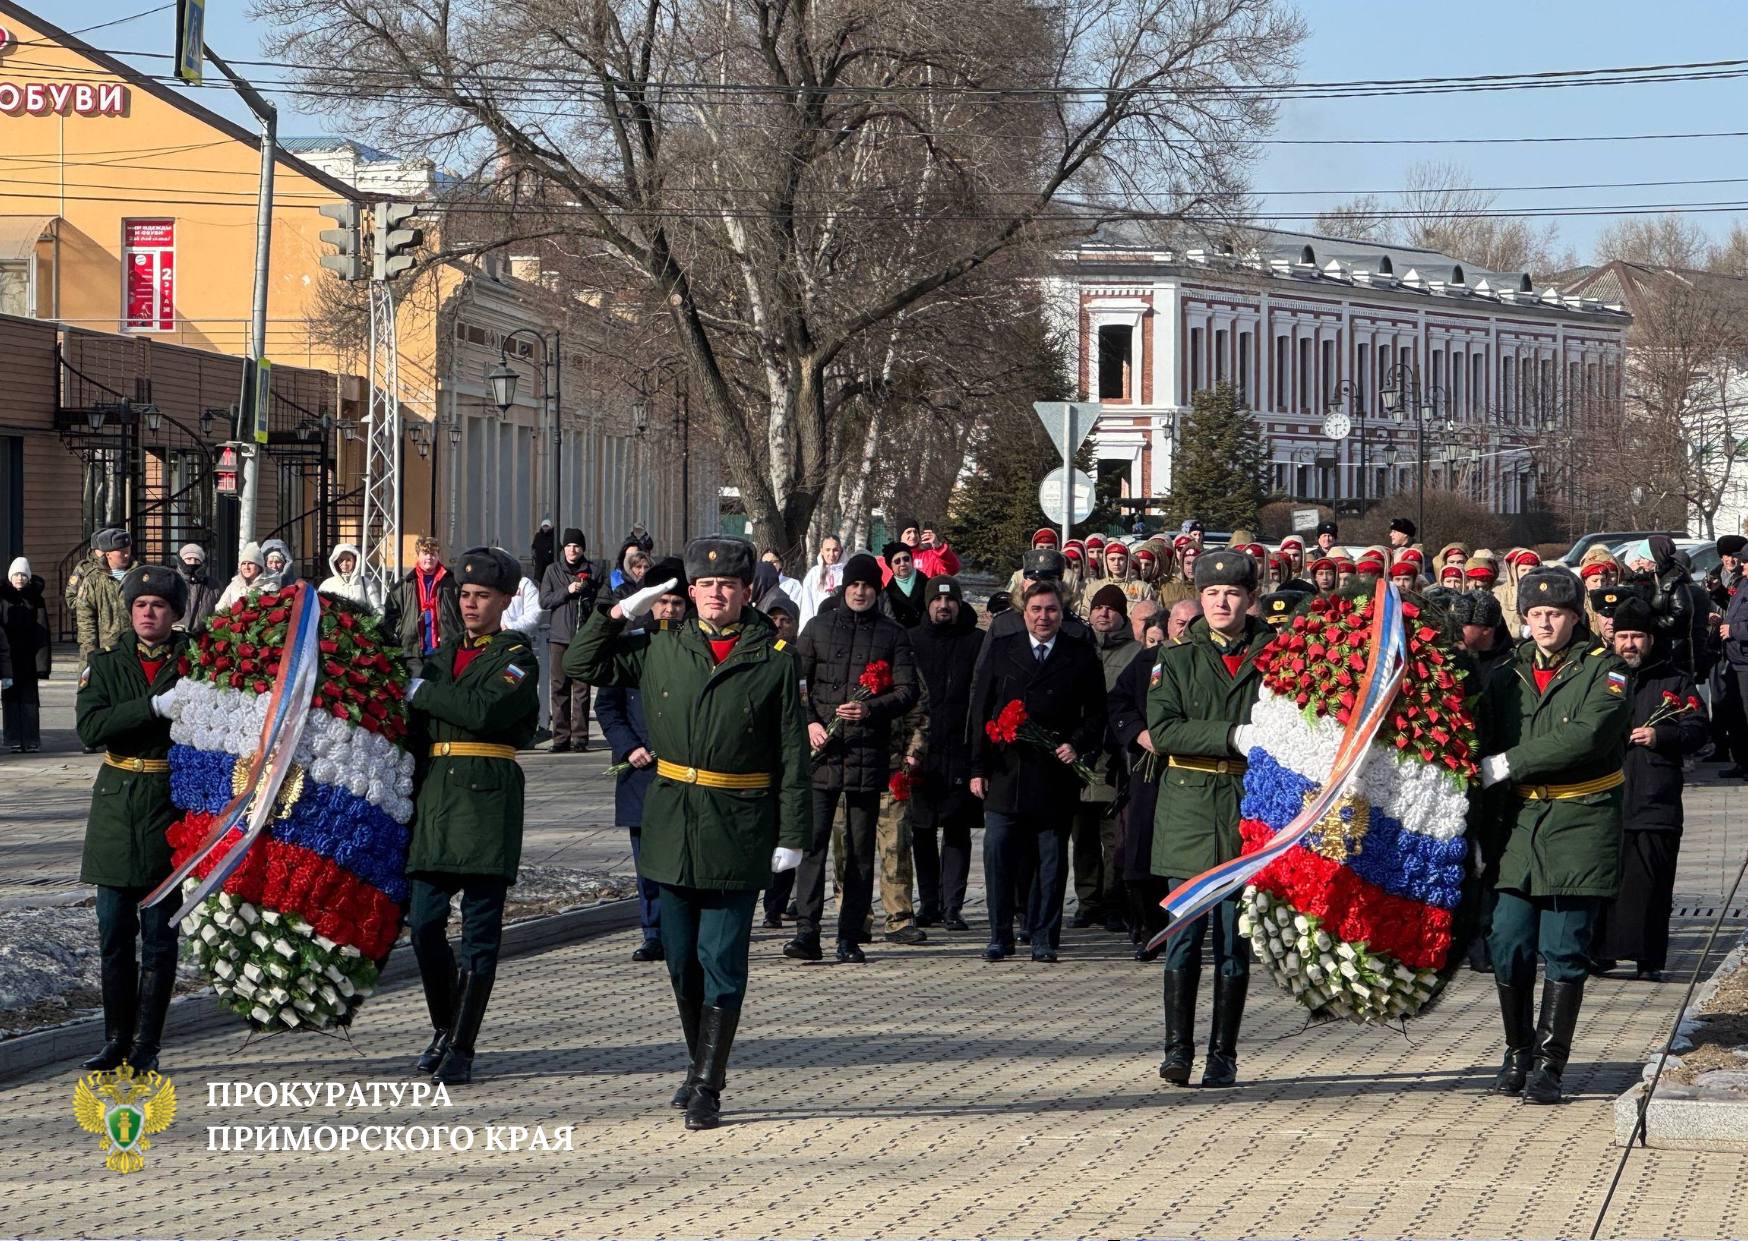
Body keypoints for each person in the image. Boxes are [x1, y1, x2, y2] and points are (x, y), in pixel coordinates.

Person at [565, 536, 810, 1131]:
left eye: (727, 584)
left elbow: (792, 754)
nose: (715, 593)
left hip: (738, 819)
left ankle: (708, 1082)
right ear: (689, 591)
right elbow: (578, 664)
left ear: (747, 591)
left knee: (721, 956)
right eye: (704, 584)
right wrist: (620, 609)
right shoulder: (660, 646)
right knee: (680, 960)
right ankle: (699, 1059)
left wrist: (794, 833)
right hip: (672, 819)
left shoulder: (773, 657)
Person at [1476, 566, 1631, 1105]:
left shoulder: (1605, 672)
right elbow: (1479, 734)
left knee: (1563, 950)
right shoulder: (1506, 673)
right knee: (1508, 942)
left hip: (1579, 821)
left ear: (1575, 617)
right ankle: (1517, 1051)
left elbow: (1586, 737)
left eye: (1556, 615)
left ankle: (1549, 1064)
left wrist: (1509, 762)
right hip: (1520, 827)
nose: (1544, 624)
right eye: (1535, 614)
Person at [404, 547, 541, 1086]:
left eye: (483, 596)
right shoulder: (439, 657)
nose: (471, 604)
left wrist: (422, 692)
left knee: (480, 936)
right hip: (437, 802)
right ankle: (445, 1028)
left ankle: (462, 1046)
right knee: (424, 926)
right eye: (464, 595)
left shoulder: (517, 658)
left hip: (486, 801)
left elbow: (482, 711)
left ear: (505, 600)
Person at [1148, 548, 1271, 1088]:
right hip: (1191, 809)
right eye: (1212, 593)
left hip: (1249, 809)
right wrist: (1230, 735)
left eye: (1233, 593)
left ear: (1250, 598)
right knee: (1184, 936)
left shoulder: (1275, 655)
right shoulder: (1176, 659)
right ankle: (1177, 1051)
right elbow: (1166, 730)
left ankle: (1224, 1054)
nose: (1222, 602)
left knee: (1233, 941)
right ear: (1199, 599)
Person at [75, 563, 188, 1073]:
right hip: (117, 805)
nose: (148, 613)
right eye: (140, 605)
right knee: (113, 933)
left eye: (158, 606)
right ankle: (115, 1038)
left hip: (169, 804)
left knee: (160, 938)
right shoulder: (104, 664)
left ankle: (147, 1044)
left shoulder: (194, 662)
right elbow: (90, 727)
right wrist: (151, 707)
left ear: (174, 614)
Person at [786, 552, 920, 963]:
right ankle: (807, 933)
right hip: (822, 754)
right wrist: (810, 722)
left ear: (876, 590)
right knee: (813, 847)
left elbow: (906, 692)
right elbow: (793, 682)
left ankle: (850, 934)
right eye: (854, 585)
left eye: (867, 586)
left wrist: (871, 709)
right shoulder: (817, 628)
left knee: (861, 850)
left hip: (867, 753)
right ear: (843, 588)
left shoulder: (892, 634)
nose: (860, 592)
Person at [970, 578, 1104, 963]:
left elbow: (1097, 713)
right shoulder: (1001, 649)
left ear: (1062, 614)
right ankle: (1000, 935)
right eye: (1036, 610)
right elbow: (979, 711)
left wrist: (1077, 744)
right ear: (1023, 612)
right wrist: (977, 767)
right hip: (1004, 772)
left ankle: (1044, 936)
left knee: (1051, 860)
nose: (1043, 617)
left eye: (1051, 610)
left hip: (1053, 774)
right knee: (998, 856)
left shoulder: (1079, 654)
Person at [1592, 598, 1707, 982]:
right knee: (1606, 879)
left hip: (1656, 797)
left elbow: (1698, 731)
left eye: (1636, 637)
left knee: (1653, 881)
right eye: (1622, 636)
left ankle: (1648, 957)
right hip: (1606, 797)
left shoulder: (1674, 679)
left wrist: (1661, 735)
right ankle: (1602, 952)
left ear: (1650, 639)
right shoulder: (1601, 676)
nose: (1629, 644)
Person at [597, 565, 689, 963]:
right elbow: (608, 706)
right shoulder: (633, 647)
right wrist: (628, 746)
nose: (668, 610)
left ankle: (683, 926)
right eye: (662, 602)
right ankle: (653, 931)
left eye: (676, 603)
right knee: (646, 858)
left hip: (684, 770)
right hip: (642, 769)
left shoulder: (693, 650)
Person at [908, 576, 982, 930]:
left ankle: (953, 905)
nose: (943, 606)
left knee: (956, 829)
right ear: (927, 605)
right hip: (921, 750)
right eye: (937, 601)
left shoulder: (976, 640)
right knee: (921, 829)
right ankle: (929, 904)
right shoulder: (911, 640)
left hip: (960, 747)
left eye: (949, 601)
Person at [1073, 584, 1135, 933]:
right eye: (1098, 607)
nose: (1104, 613)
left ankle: (1114, 901)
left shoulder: (1134, 653)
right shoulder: (1079, 650)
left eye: (1111, 608)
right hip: (1081, 756)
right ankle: (1088, 901)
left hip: (1116, 756)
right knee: (1082, 835)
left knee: (1114, 836)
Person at [538, 528, 603, 753]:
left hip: (583, 639)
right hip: (559, 637)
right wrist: (567, 590)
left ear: (582, 548)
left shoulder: (594, 571)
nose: (572, 550)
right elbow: (545, 601)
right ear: (563, 549)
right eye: (568, 546)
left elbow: (601, 601)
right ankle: (560, 737)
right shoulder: (552, 571)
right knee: (559, 688)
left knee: (582, 690)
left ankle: (580, 738)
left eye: (576, 546)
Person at [383, 536, 463, 678]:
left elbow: (463, 610)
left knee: (440, 689)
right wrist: (401, 630)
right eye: (425, 553)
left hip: (444, 649)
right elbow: (391, 613)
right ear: (418, 555)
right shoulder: (405, 583)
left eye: (433, 554)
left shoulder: (451, 582)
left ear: (438, 556)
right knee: (417, 690)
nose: (429, 557)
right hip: (413, 649)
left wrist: (459, 632)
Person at [2, 558, 49, 751]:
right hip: (8, 658)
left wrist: (42, 665)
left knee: (30, 701)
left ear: (28, 578)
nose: (19, 578)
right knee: (10, 699)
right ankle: (12, 739)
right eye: (16, 575)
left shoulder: (36, 599)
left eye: (23, 575)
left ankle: (31, 740)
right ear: (10, 577)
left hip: (29, 658)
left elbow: (42, 634)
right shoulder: (3, 599)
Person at [76, 528, 133, 672]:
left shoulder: (138, 575)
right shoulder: (94, 579)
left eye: (128, 549)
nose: (126, 554)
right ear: (108, 554)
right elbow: (85, 619)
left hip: (133, 649)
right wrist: (91, 652)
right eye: (121, 551)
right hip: (104, 649)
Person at [798, 535, 844, 630]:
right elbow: (807, 605)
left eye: (835, 550)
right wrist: (805, 630)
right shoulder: (814, 573)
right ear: (822, 551)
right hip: (818, 626)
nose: (831, 554)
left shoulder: (846, 572)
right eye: (827, 550)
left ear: (840, 550)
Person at [881, 542, 931, 628]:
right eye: (897, 561)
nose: (902, 563)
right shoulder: (887, 592)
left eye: (906, 559)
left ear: (911, 560)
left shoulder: (928, 584)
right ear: (891, 566)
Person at [175, 543, 221, 634]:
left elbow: (220, 611)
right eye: (188, 559)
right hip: (176, 637)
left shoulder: (213, 585)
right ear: (181, 561)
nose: (192, 562)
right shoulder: (172, 582)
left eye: (196, 560)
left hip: (204, 639)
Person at [214, 541, 269, 614]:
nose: (246, 567)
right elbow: (220, 608)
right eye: (243, 564)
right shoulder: (234, 585)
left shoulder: (269, 585)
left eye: (250, 563)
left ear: (259, 567)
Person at [318, 542, 375, 608]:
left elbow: (377, 610)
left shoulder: (366, 583)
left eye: (348, 560)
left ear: (355, 561)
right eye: (341, 560)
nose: (344, 564)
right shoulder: (327, 585)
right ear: (335, 561)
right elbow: (320, 608)